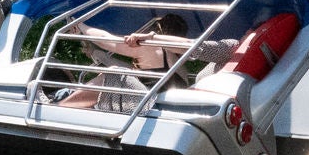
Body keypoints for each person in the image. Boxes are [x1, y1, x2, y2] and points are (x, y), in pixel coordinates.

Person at [56, 13, 237, 111]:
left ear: (156, 29)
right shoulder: (178, 60)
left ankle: (59, 109)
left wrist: (80, 26)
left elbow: (107, 40)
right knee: (117, 72)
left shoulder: (153, 46)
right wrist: (95, 53)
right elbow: (135, 74)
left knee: (114, 73)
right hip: (159, 107)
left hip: (151, 109)